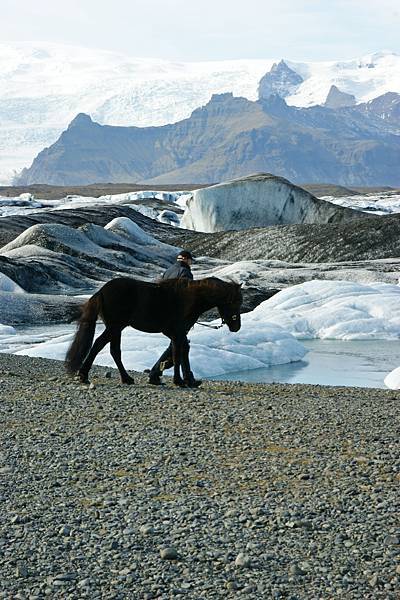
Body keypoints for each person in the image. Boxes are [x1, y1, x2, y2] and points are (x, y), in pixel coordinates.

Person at [148, 250, 201, 386]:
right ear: (187, 260)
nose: (191, 263)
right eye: (191, 261)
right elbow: (187, 296)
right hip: (177, 316)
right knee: (179, 346)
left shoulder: (168, 271)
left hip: (164, 315)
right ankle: (157, 372)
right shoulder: (185, 272)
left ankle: (185, 377)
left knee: (179, 345)